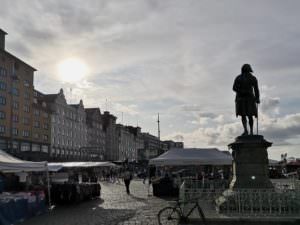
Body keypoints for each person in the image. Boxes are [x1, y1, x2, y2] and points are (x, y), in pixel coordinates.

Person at [233, 64, 260, 136]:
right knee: (243, 115)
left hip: (249, 99)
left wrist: (257, 98)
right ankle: (246, 130)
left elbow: (256, 89)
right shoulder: (239, 78)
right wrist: (242, 91)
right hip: (242, 99)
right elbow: (234, 88)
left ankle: (250, 131)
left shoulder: (252, 78)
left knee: (249, 115)